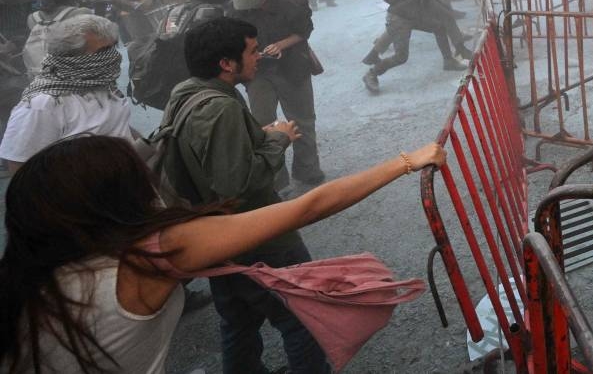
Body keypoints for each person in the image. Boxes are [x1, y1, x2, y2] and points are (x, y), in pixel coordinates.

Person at [0, 134, 445, 373]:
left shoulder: (30, 272)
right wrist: (406, 161)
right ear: (119, 196)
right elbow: (306, 206)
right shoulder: (153, 252)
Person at [229, 0, 326, 189]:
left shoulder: (293, 2)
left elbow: (304, 31)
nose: (249, 5)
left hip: (292, 67)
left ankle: (307, 169)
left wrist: (281, 45)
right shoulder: (235, 8)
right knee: (263, 123)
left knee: (302, 120)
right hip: (257, 72)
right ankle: (275, 178)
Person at [0, 14, 130, 173]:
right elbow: (20, 168)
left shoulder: (102, 85)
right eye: (103, 51)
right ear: (74, 57)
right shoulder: (43, 104)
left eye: (113, 47)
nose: (113, 56)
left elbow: (115, 123)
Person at [362, 0, 481, 93]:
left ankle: (448, 61)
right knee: (401, 57)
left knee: (439, 27)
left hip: (412, 16)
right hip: (399, 19)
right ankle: (372, 73)